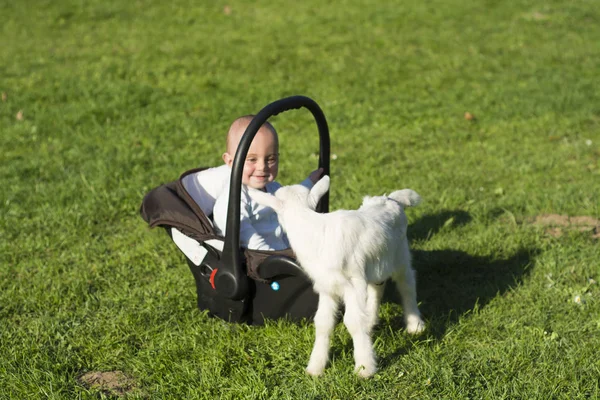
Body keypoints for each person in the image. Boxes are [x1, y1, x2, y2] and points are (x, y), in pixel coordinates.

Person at [212, 115, 322, 251]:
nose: (262, 167)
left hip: (284, 252)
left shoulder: (273, 188)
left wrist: (310, 182)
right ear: (230, 161)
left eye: (270, 159)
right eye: (252, 159)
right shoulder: (233, 200)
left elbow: (293, 204)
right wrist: (273, 258)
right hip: (258, 263)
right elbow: (247, 238)